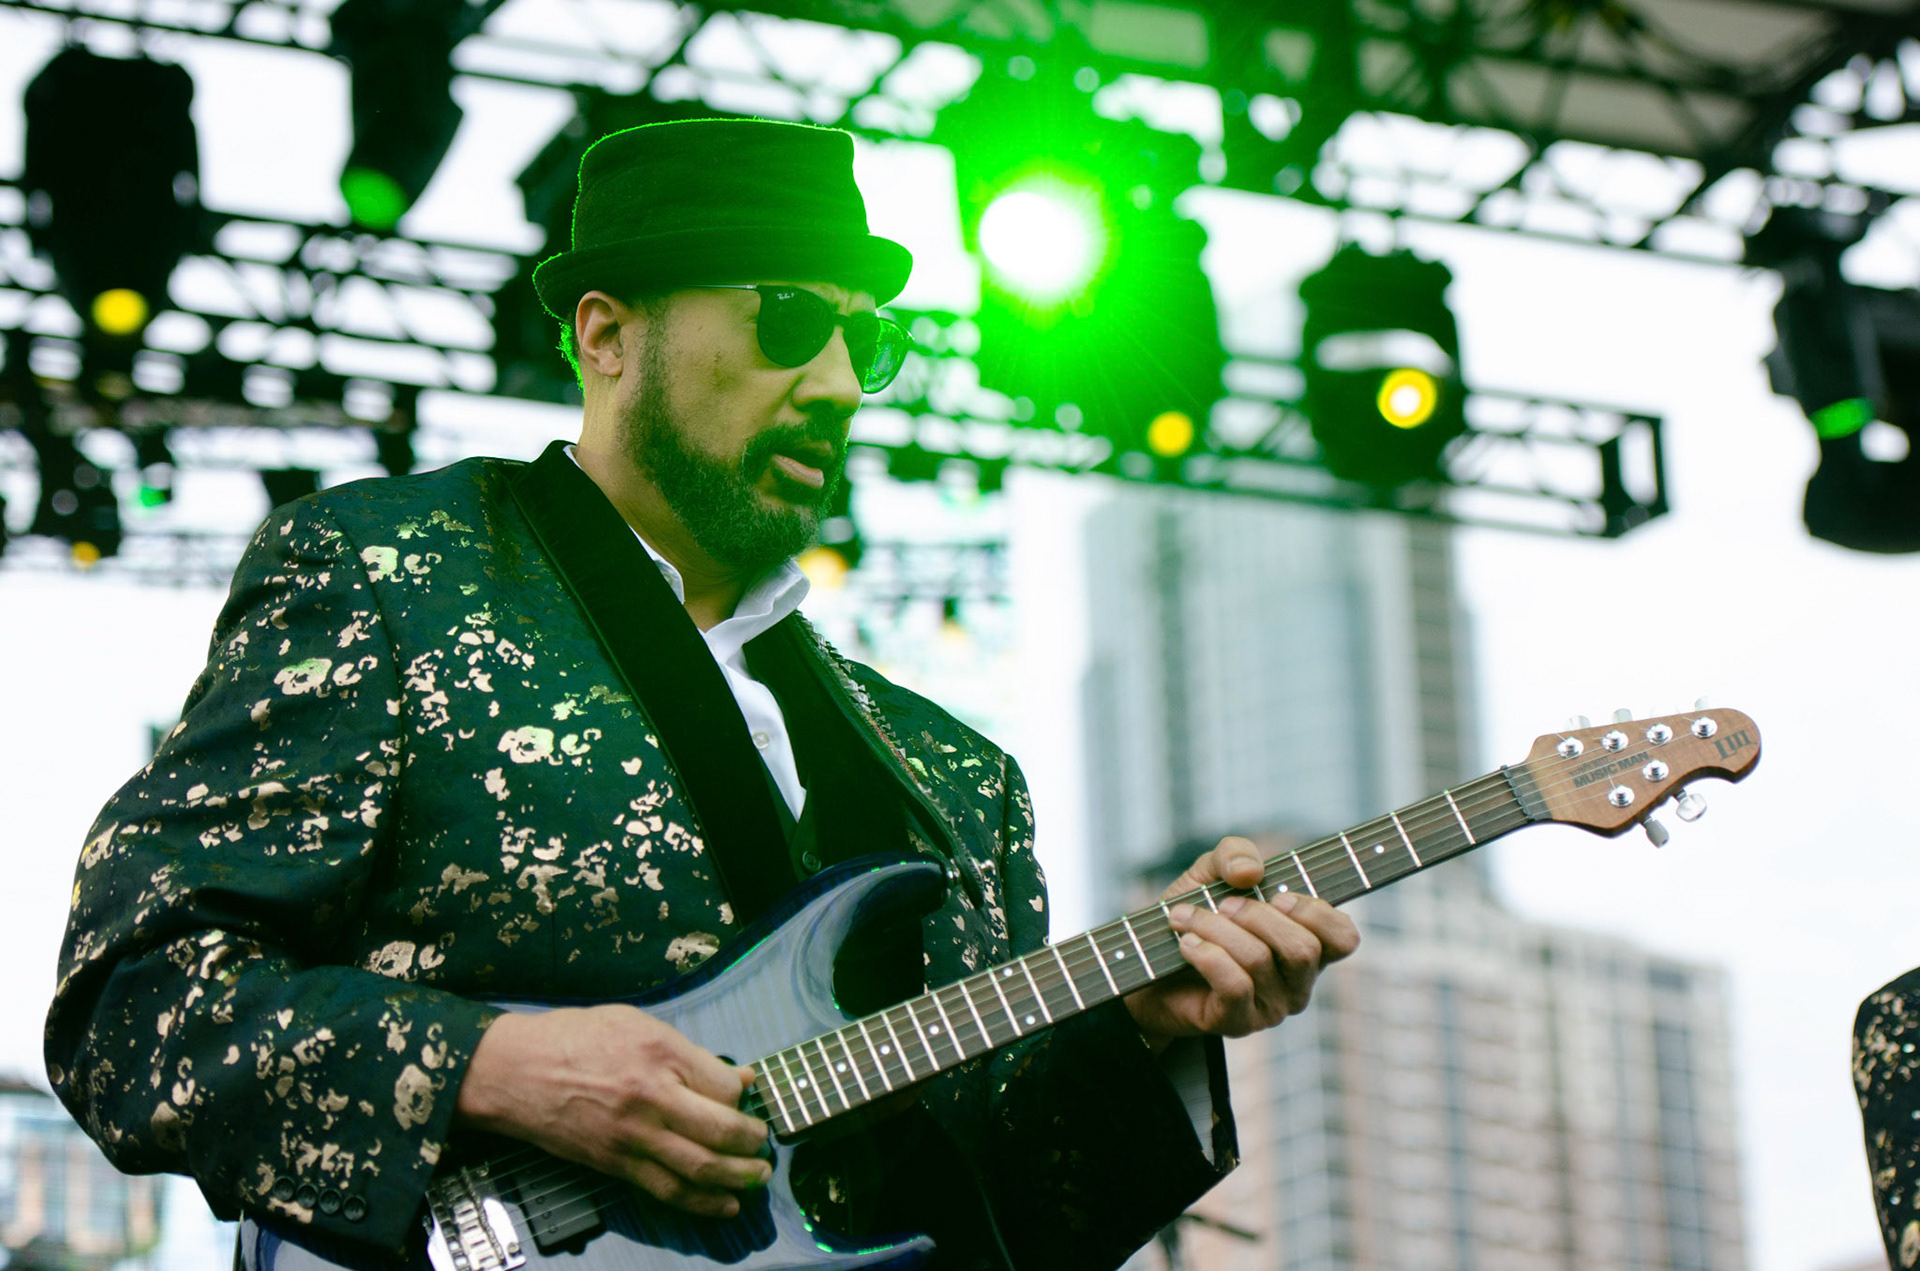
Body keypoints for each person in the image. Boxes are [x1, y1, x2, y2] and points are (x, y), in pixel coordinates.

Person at [45, 118, 1359, 1270]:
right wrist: (491, 1070)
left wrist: (1138, 1033)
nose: (842, 385)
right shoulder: (392, 577)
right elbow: (133, 1004)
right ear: (606, 335)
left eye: (868, 339)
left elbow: (1014, 1218)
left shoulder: (959, 783)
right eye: (791, 319)